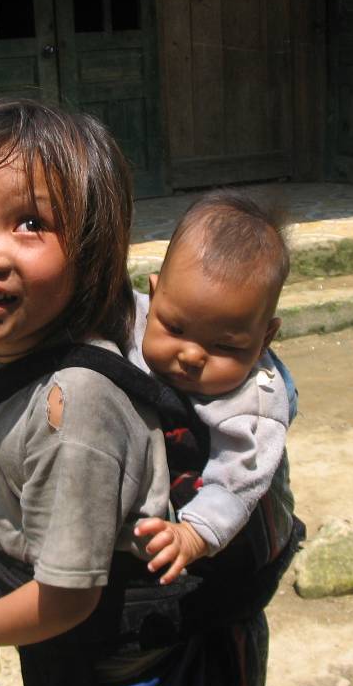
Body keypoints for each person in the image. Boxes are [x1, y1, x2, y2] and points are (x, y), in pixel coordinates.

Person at [0, 98, 257, 686]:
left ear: (92, 249)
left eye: (30, 223)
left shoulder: (78, 407)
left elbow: (66, 597)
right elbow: (10, 471)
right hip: (79, 661)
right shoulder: (9, 344)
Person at [128, 191, 298, 587]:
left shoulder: (254, 401)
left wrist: (193, 535)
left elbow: (241, 480)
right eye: (174, 328)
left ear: (264, 339)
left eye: (224, 346)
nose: (190, 355)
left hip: (228, 548)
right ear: (153, 297)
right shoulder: (132, 318)